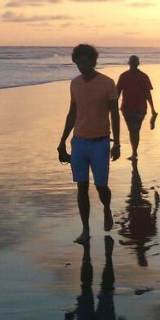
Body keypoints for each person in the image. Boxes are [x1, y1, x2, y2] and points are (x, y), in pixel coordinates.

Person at [57, 43, 121, 244]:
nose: (81, 66)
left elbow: (115, 114)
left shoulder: (107, 83)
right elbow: (72, 113)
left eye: (84, 62)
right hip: (79, 143)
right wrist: (62, 141)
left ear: (93, 61)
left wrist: (117, 142)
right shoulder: (74, 84)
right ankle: (85, 229)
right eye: (78, 63)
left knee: (102, 186)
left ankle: (107, 209)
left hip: (100, 142)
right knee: (82, 187)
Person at [115, 55, 158, 161]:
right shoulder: (123, 76)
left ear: (138, 64)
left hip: (140, 108)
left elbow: (148, 94)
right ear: (129, 63)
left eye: (135, 62)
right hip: (127, 108)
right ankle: (134, 151)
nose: (133, 64)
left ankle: (134, 152)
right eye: (132, 62)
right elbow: (117, 93)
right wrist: (113, 107)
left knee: (135, 129)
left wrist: (153, 109)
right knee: (132, 130)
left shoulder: (143, 76)